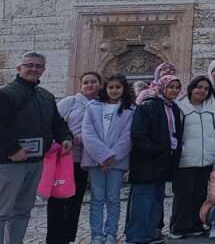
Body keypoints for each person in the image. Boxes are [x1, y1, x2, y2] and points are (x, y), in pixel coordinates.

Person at [1, 53, 71, 244]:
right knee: (2, 210)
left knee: (23, 210)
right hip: (9, 162)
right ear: (19, 68)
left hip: (36, 161)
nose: (33, 69)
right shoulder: (6, 94)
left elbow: (57, 123)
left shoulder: (46, 96)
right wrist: (12, 149)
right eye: (29, 65)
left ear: (43, 70)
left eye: (38, 66)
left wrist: (65, 137)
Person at [124, 75, 182, 244]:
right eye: (171, 87)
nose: (174, 90)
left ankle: (151, 233)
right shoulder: (148, 106)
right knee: (143, 199)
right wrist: (157, 150)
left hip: (163, 161)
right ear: (162, 87)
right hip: (147, 161)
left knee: (156, 198)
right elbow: (138, 134)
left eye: (177, 87)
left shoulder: (174, 108)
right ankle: (137, 235)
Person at [47, 71, 101, 244]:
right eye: (86, 82)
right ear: (80, 85)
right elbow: (54, 122)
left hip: (85, 161)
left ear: (100, 85)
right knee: (57, 199)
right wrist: (67, 137)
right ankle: (54, 238)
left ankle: (68, 237)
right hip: (65, 158)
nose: (90, 85)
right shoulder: (71, 102)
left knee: (75, 201)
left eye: (93, 82)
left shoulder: (101, 105)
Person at [83, 74, 135, 244]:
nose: (114, 90)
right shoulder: (92, 107)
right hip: (95, 160)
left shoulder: (129, 110)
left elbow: (127, 137)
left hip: (116, 162)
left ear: (123, 89)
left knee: (113, 198)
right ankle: (96, 234)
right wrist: (103, 156)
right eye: (111, 87)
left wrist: (112, 157)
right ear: (105, 89)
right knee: (97, 198)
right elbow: (88, 134)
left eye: (117, 87)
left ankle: (111, 233)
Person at [173, 75, 215, 238]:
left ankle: (196, 224)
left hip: (207, 158)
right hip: (186, 159)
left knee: (200, 194)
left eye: (206, 89)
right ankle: (178, 227)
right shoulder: (180, 106)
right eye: (199, 87)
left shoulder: (212, 107)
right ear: (192, 88)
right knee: (183, 195)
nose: (202, 91)